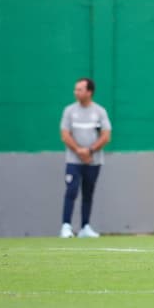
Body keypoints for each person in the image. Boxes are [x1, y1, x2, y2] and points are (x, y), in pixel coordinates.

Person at [59, 77, 112, 238]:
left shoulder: (99, 111)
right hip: (74, 161)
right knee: (72, 190)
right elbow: (65, 134)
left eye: (80, 89)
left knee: (88, 193)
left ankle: (85, 227)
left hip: (93, 161)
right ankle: (66, 226)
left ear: (89, 92)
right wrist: (79, 151)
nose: (76, 92)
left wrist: (89, 151)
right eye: (75, 89)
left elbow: (106, 135)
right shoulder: (69, 111)